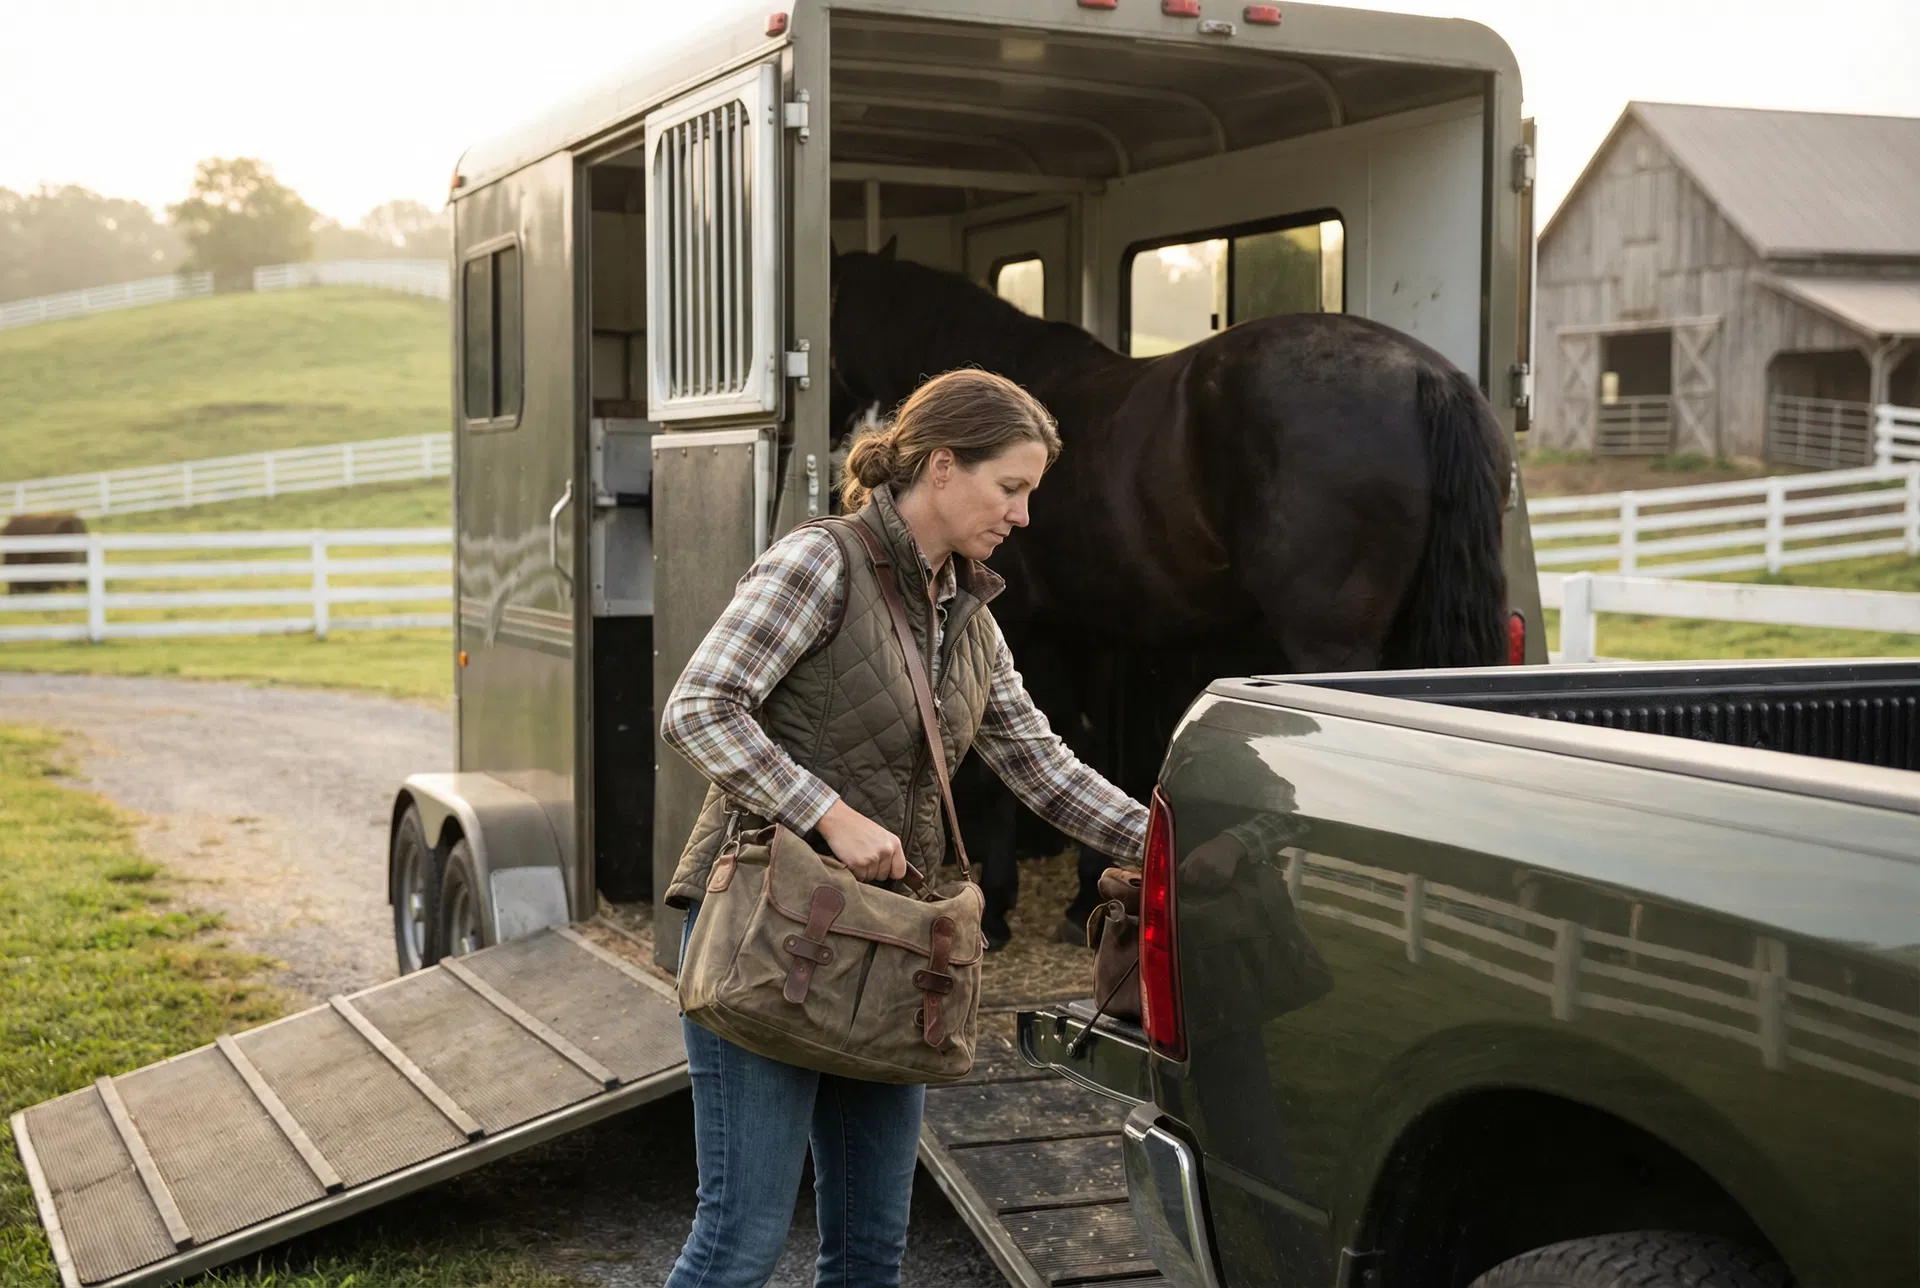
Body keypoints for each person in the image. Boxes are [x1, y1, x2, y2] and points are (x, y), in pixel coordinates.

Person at [658, 367, 1149, 1288]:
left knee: (871, 1253)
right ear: (941, 467)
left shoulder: (968, 614)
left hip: (890, 950)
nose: (1024, 516)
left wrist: (1164, 847)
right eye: (1012, 489)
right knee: (740, 1243)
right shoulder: (818, 561)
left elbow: (1042, 768)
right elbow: (699, 708)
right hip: (770, 935)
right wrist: (827, 814)